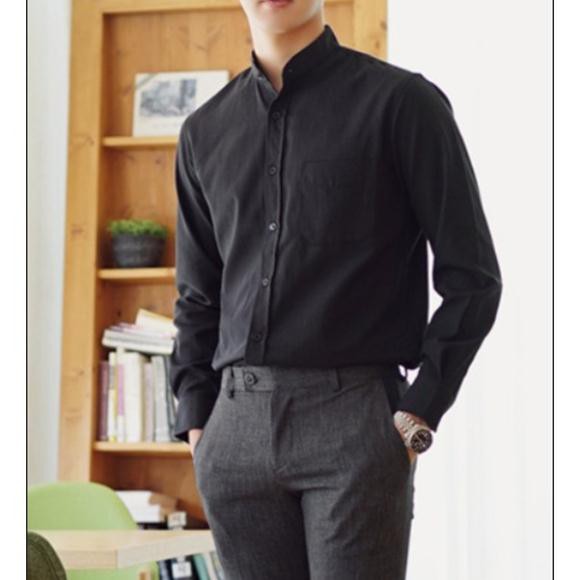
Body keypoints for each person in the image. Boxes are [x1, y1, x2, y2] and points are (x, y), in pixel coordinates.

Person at [169, 1, 503, 578]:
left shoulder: (403, 104)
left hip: (355, 424)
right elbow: (199, 296)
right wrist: (199, 424)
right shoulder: (203, 131)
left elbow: (473, 277)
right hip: (234, 431)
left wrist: (418, 413)